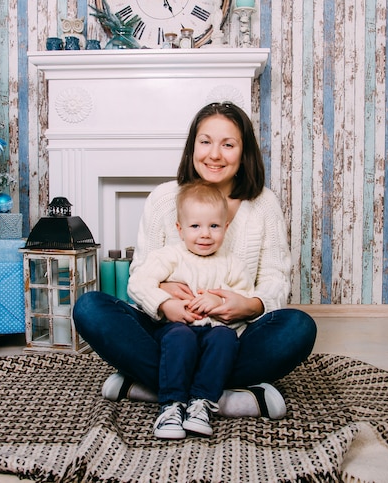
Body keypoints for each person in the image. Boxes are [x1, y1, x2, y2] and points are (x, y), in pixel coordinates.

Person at [73, 101, 317, 434]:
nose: (214, 154)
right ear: (192, 147)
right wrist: (166, 297)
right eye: (206, 142)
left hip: (230, 336)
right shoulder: (163, 198)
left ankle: (150, 389)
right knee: (90, 307)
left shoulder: (262, 203)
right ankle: (229, 398)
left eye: (228, 144)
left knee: (298, 327)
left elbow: (274, 278)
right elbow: (142, 272)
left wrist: (246, 304)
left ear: (243, 152)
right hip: (170, 332)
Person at [127, 180, 256, 439]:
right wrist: (165, 303)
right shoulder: (170, 256)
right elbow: (138, 282)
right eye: (195, 226)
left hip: (213, 331)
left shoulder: (231, 263)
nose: (205, 234)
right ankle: (171, 405)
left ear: (226, 228)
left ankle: (201, 403)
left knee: (225, 338)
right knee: (179, 337)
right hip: (175, 328)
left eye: (214, 226)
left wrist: (220, 303)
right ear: (180, 229)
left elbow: (245, 296)